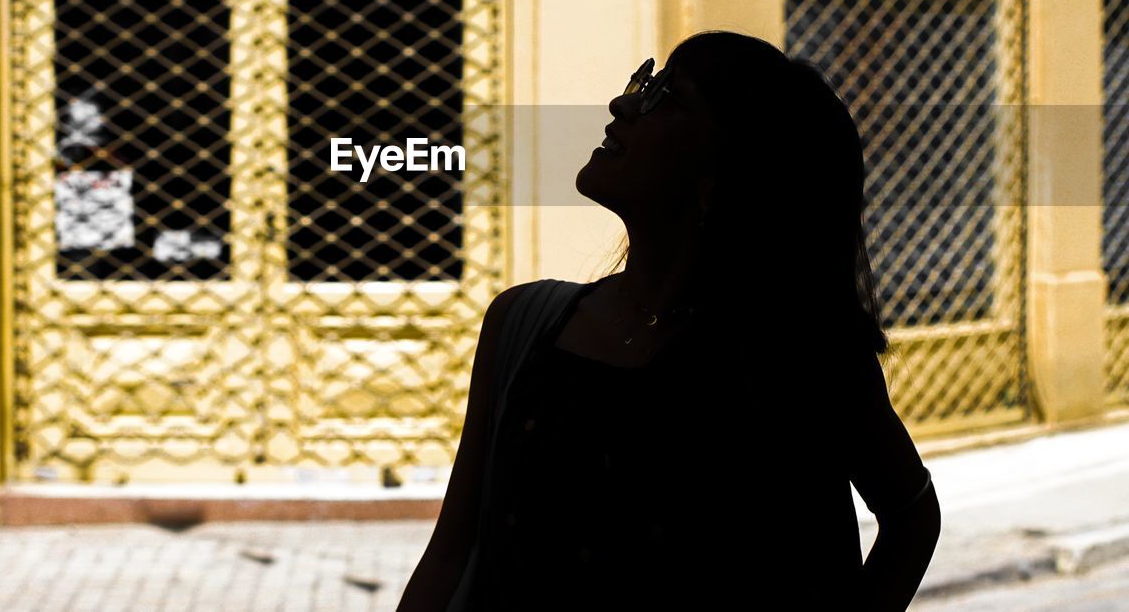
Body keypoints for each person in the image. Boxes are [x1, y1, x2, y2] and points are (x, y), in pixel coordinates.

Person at [397, 30, 941, 611]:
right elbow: (452, 554)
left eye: (667, 98)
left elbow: (911, 519)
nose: (624, 104)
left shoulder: (798, 356)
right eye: (645, 84)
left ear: (724, 174)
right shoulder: (522, 324)